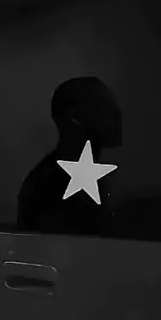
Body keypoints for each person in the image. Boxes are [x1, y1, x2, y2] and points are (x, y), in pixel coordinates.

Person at [17, 76, 122, 235]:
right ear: (75, 115)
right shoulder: (47, 187)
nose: (117, 114)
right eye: (104, 106)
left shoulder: (97, 182)